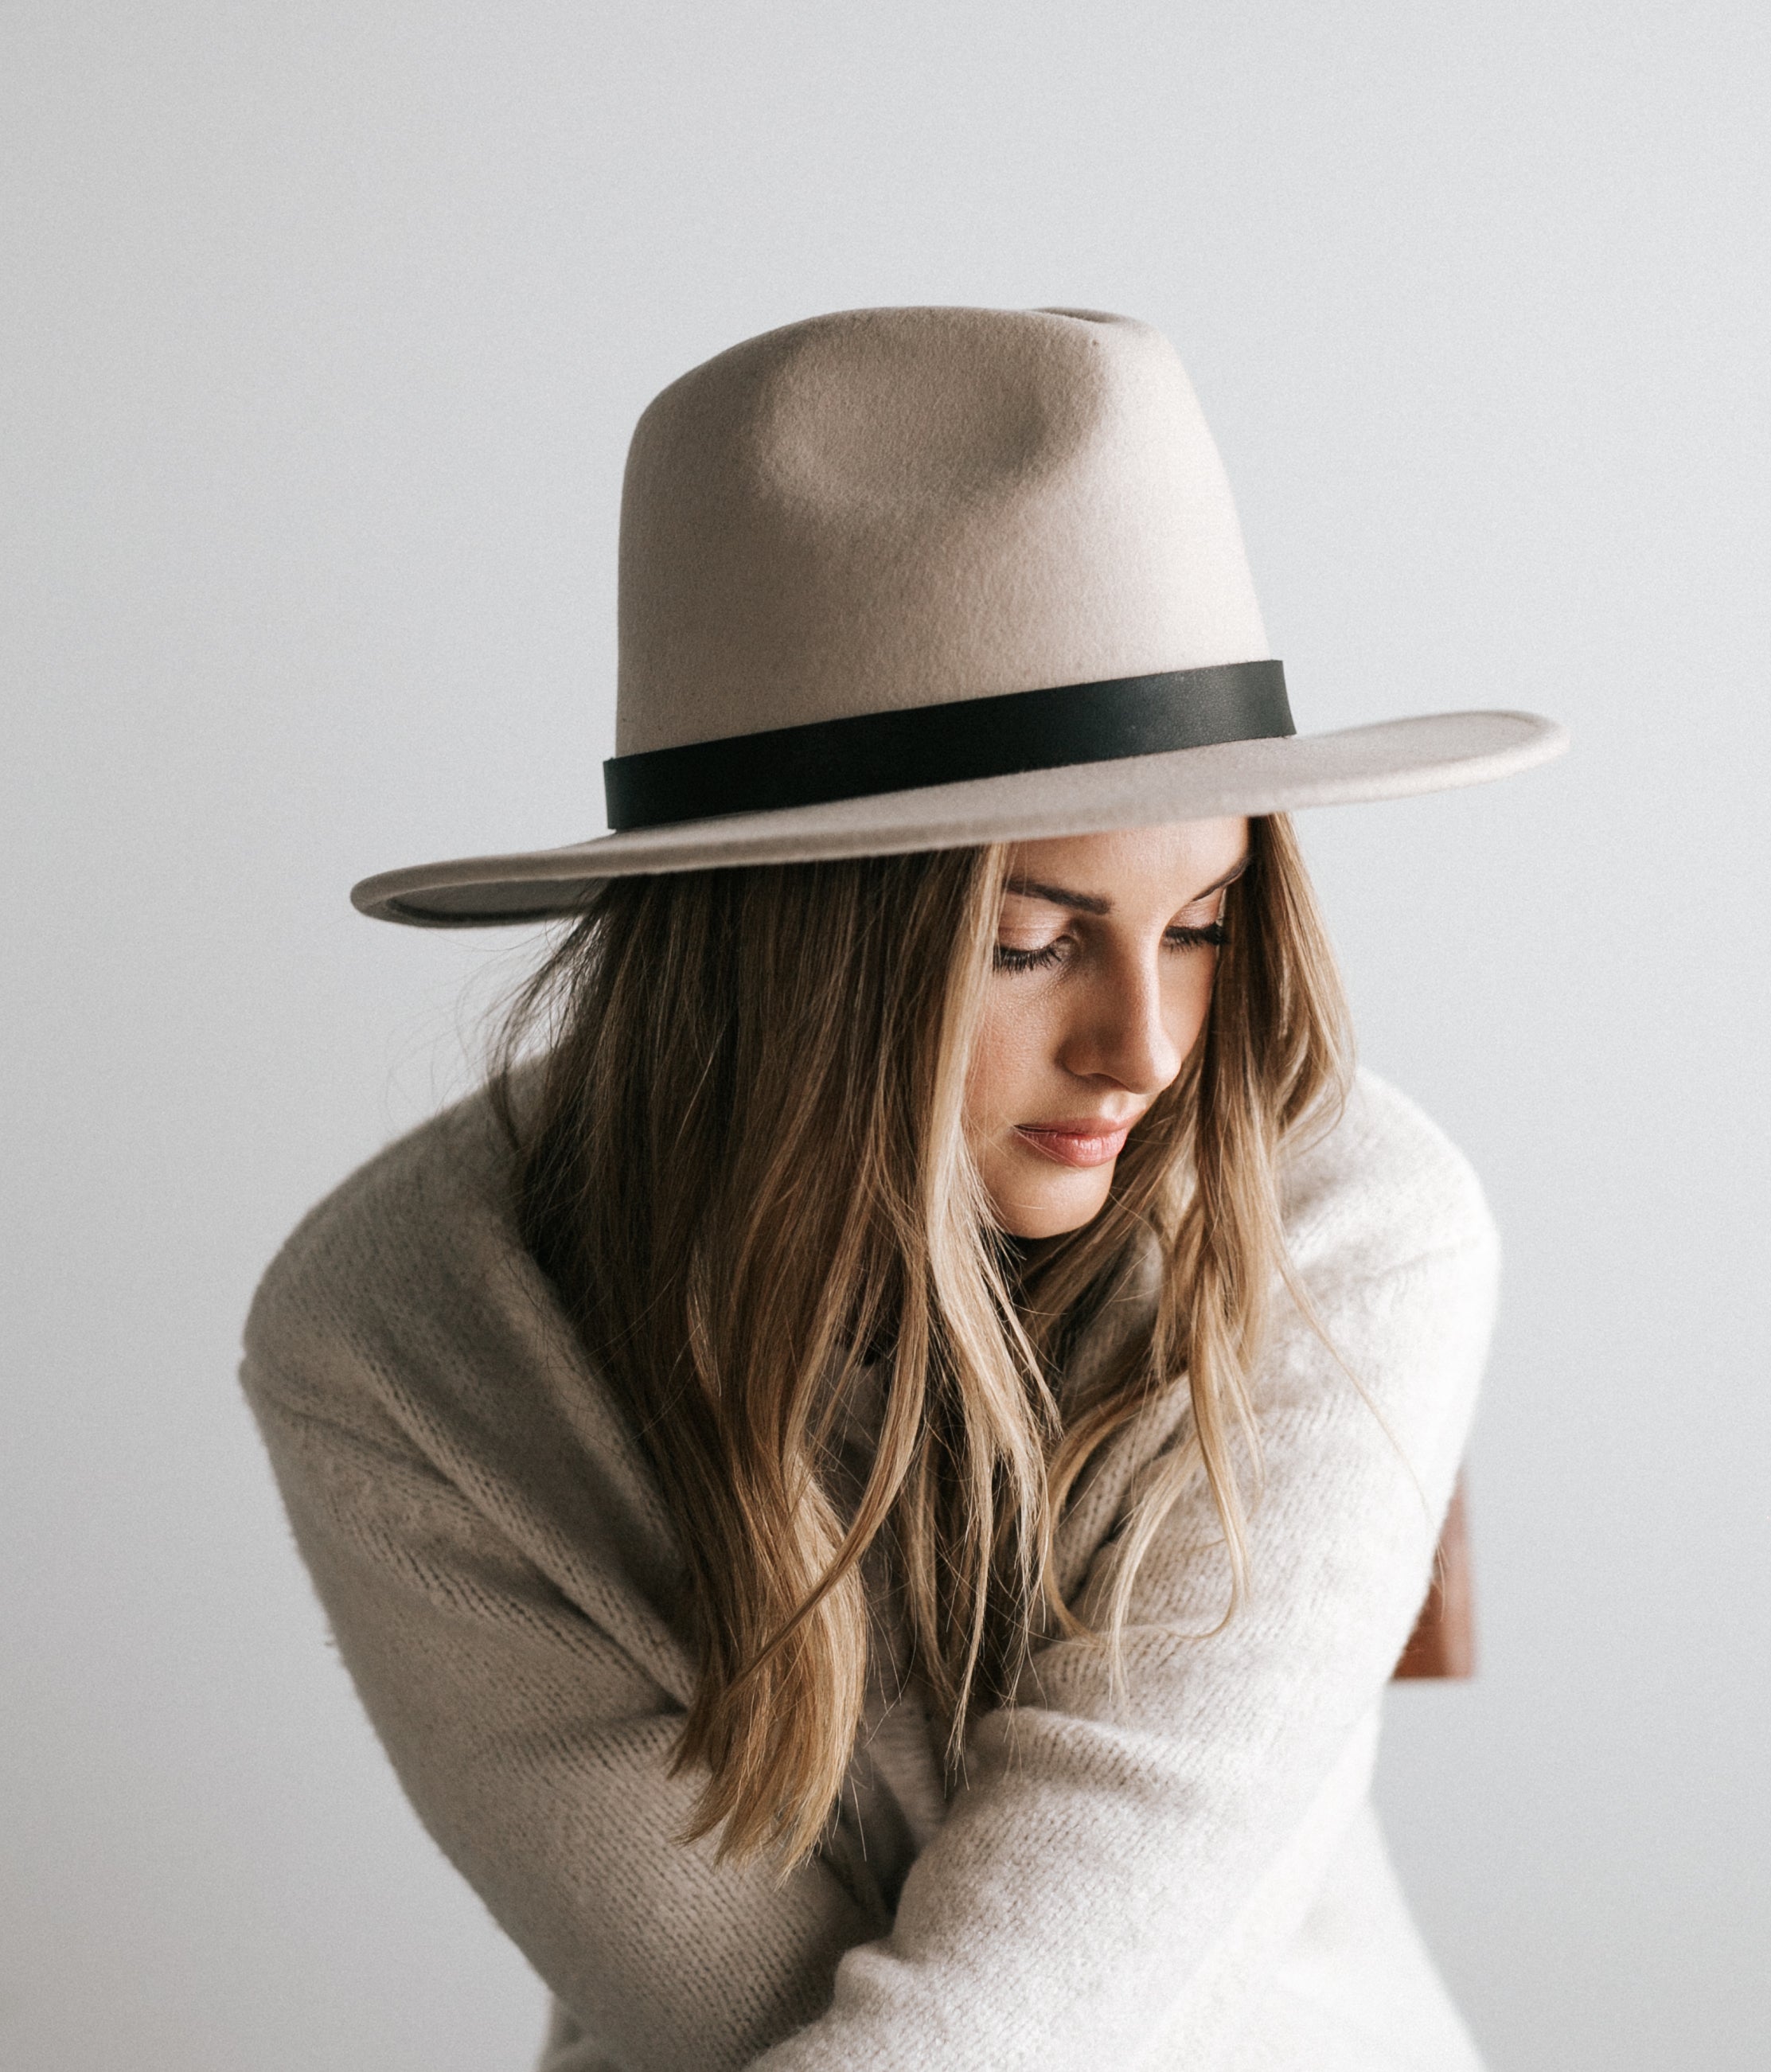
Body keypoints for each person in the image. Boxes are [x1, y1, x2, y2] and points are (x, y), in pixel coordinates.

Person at [242, 305, 1565, 2071]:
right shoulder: (407, 1341)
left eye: (1204, 925)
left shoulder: (1354, 1223)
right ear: (790, 960)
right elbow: (739, 2007)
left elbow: (1107, 1932)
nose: (1149, 1049)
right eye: (1031, 942)